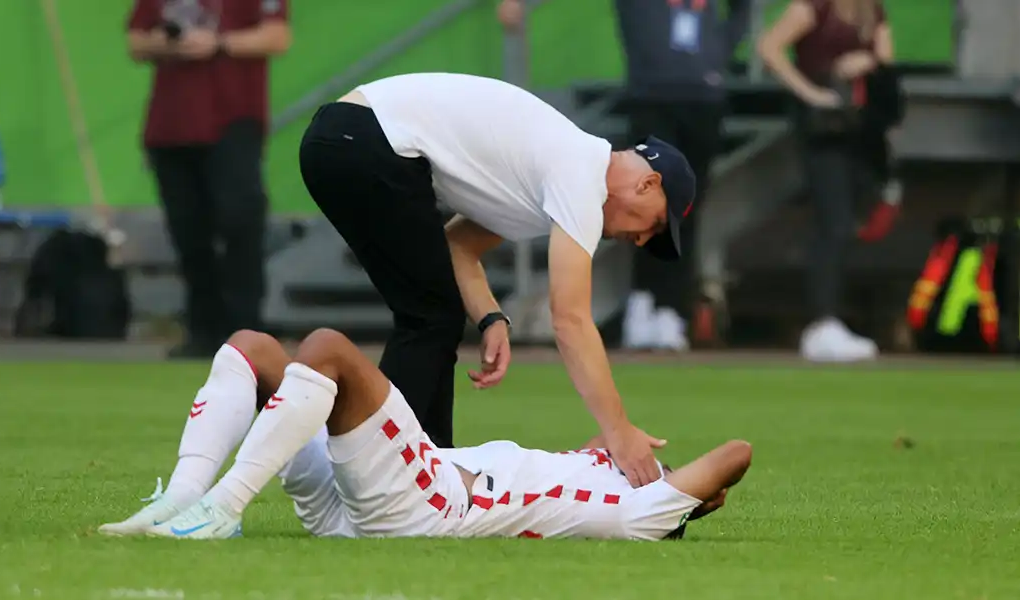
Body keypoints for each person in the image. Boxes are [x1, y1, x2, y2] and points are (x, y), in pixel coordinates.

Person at [298, 72, 697, 488]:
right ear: (647, 183)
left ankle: (425, 469)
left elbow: (457, 247)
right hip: (364, 140)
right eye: (654, 225)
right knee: (430, 316)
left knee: (433, 314)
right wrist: (619, 431)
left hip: (342, 138)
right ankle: (393, 477)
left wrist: (490, 317)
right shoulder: (581, 172)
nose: (642, 239)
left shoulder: (553, 175)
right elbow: (570, 319)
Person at [98, 328, 752, 541]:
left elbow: (735, 453)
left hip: (427, 506)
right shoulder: (606, 479)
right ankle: (186, 495)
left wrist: (676, 479)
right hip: (367, 501)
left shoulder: (648, 515)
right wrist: (609, 448)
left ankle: (221, 507)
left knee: (327, 349)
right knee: (254, 350)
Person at [499, 0, 750, 350]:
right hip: (652, 95)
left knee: (685, 210)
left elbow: (742, 9)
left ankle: (672, 309)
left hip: (703, 98)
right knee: (642, 204)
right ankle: (644, 301)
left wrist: (720, 48)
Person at [126, 0, 291, 359]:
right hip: (171, 126)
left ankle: (247, 328)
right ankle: (203, 329)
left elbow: (277, 36)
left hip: (233, 119)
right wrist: (167, 44)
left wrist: (218, 43)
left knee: (240, 220)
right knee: (188, 232)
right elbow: (136, 42)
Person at [756, 0, 894, 362]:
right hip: (823, 130)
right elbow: (769, 47)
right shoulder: (814, 7)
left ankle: (829, 319)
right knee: (832, 222)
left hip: (860, 130)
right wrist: (811, 94)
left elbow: (886, 56)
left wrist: (868, 62)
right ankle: (822, 322)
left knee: (847, 221)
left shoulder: (871, 10)